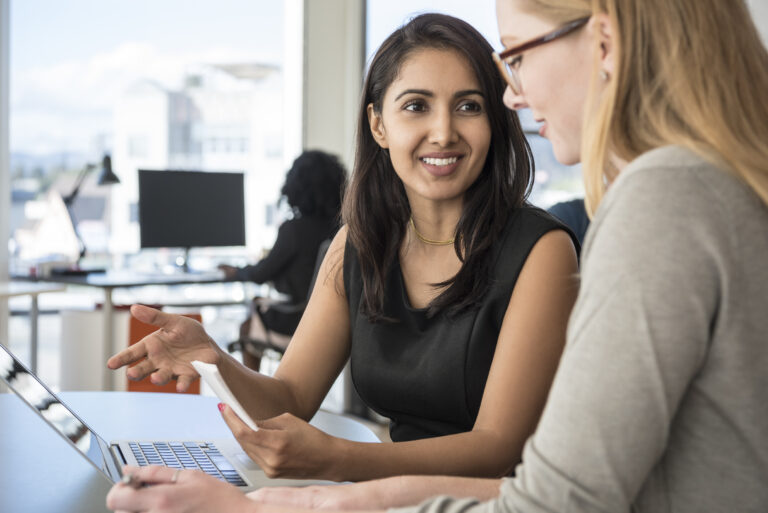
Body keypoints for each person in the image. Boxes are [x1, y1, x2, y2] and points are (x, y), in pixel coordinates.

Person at [228, 0, 767, 512]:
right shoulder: (707, 190)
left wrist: (327, 488)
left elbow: (557, 496)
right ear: (378, 124)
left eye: (517, 56)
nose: (514, 95)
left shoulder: (662, 204)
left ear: (604, 42)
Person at [105, 11, 579, 501]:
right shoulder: (357, 244)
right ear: (378, 124)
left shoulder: (542, 251)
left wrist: (340, 458)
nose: (443, 132)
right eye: (416, 106)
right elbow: (290, 398)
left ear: (494, 120)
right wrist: (215, 361)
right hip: (387, 498)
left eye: (468, 106)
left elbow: (497, 448)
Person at [218, 150, 346, 370]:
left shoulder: (294, 229)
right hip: (329, 321)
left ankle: (251, 395)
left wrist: (236, 272)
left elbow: (261, 274)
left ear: (296, 186)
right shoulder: (342, 229)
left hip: (295, 321)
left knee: (247, 328)